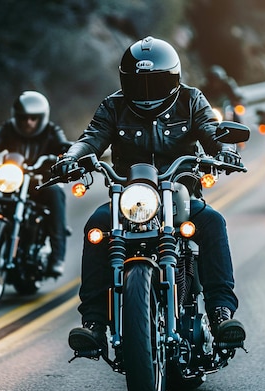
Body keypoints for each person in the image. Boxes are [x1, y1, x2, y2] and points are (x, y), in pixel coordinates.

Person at [51, 36, 246, 352]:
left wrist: (225, 150)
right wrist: (71, 158)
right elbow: (91, 138)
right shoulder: (113, 106)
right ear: (126, 81)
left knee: (212, 222)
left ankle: (220, 314)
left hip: (180, 194)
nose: (145, 92)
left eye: (154, 83)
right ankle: (95, 324)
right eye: (138, 84)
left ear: (172, 78)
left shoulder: (191, 100)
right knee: (96, 228)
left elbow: (213, 132)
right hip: (130, 198)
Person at [0, 91, 73, 276]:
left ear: (42, 118)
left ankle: (57, 257)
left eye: (33, 118)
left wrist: (66, 152)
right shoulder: (8, 129)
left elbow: (62, 145)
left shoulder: (52, 131)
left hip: (40, 183)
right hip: (13, 181)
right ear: (16, 117)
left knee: (56, 192)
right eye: (24, 118)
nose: (28, 122)